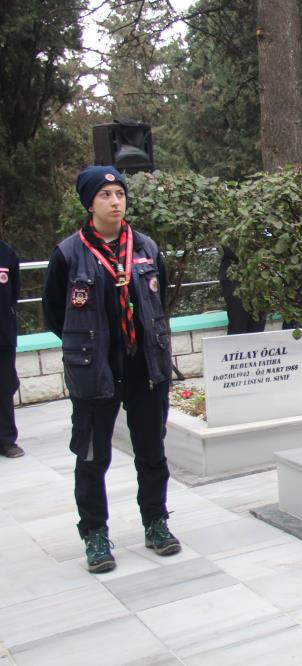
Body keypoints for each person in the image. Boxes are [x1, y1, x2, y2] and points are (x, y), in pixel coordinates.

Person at [43, 165, 181, 574]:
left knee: (152, 451)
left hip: (145, 366)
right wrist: (89, 343)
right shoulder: (69, 253)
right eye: (105, 195)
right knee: (92, 456)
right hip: (96, 369)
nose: (115, 201)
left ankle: (155, 521)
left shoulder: (145, 247)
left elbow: (160, 301)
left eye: (119, 193)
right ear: (90, 203)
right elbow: (55, 314)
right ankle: (95, 534)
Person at [0, 238, 21, 458]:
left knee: (5, 386)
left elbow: (14, 293)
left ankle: (6, 440)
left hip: (3, 335)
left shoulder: (6, 253)